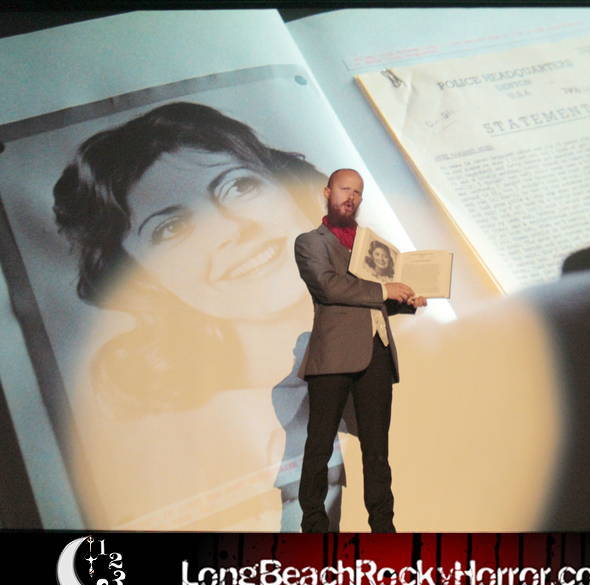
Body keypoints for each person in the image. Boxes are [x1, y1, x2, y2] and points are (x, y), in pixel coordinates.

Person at [52, 101, 344, 530]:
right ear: (140, 278)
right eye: (170, 229)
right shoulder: (163, 449)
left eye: (239, 187)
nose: (231, 229)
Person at [294, 168, 426, 533]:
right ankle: (314, 527)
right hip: (333, 355)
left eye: (357, 192)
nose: (350, 197)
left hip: (377, 352)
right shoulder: (311, 242)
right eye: (344, 189)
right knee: (320, 444)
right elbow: (328, 287)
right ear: (327, 192)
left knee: (377, 449)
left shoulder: (371, 246)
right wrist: (384, 291)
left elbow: (373, 302)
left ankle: (384, 530)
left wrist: (406, 299)